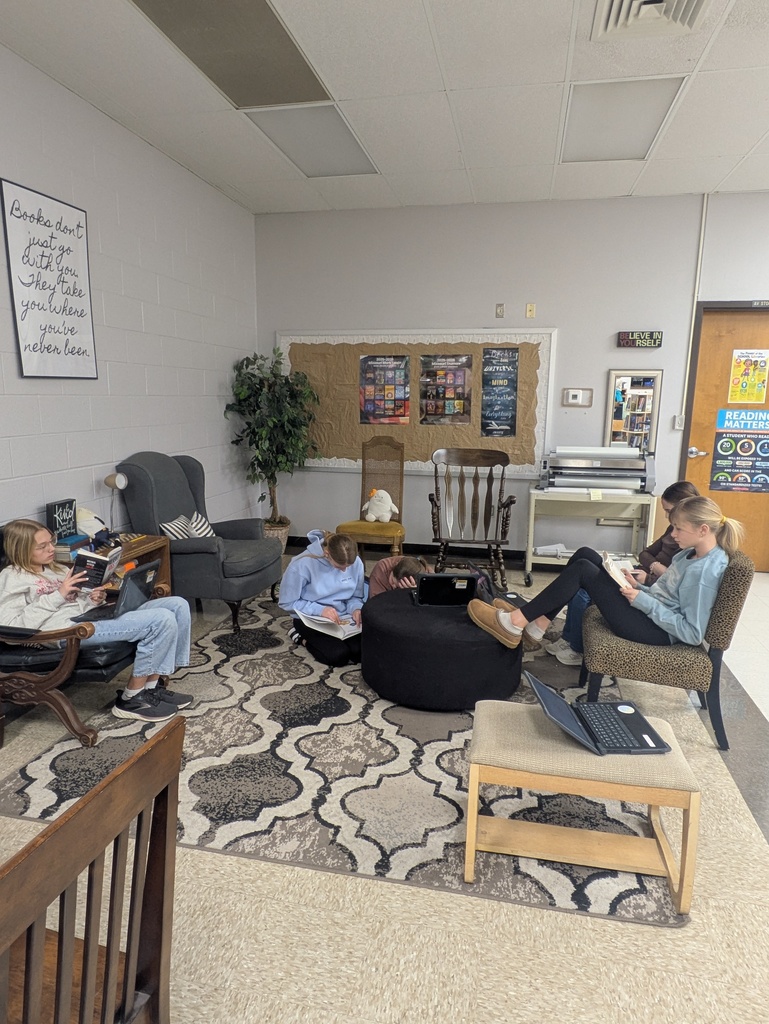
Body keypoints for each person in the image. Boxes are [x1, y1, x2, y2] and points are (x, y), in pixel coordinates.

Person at [468, 496, 743, 653]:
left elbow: (692, 633)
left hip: (655, 631)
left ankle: (514, 622)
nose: (672, 535)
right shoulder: (689, 553)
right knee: (586, 553)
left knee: (583, 571)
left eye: (678, 529)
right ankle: (536, 624)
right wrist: (640, 587)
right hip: (648, 612)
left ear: (703, 530)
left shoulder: (705, 572)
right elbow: (669, 596)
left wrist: (643, 600)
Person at [0, 519, 192, 723]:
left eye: (51, 542)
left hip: (91, 617)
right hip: (68, 631)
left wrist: (93, 598)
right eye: (42, 546)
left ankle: (152, 689)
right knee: (160, 619)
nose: (51, 549)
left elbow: (77, 599)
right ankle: (132, 699)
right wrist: (59, 594)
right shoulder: (11, 578)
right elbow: (11, 627)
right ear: (20, 550)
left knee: (177, 605)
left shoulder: (55, 569)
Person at [543, 480, 701, 666]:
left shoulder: (691, 552)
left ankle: (574, 645)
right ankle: (558, 630)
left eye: (670, 513)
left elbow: (675, 596)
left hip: (649, 597)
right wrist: (653, 568)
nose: (670, 524)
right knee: (584, 554)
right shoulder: (676, 534)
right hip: (642, 582)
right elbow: (645, 554)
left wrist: (650, 579)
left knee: (584, 581)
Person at [279, 530, 365, 667]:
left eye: (348, 567)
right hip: (310, 618)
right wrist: (320, 610)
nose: (344, 571)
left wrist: (356, 608)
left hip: (343, 617)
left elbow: (355, 596)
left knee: (360, 653)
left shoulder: (356, 563)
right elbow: (286, 602)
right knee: (338, 656)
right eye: (339, 567)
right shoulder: (301, 565)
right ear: (327, 554)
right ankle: (300, 638)